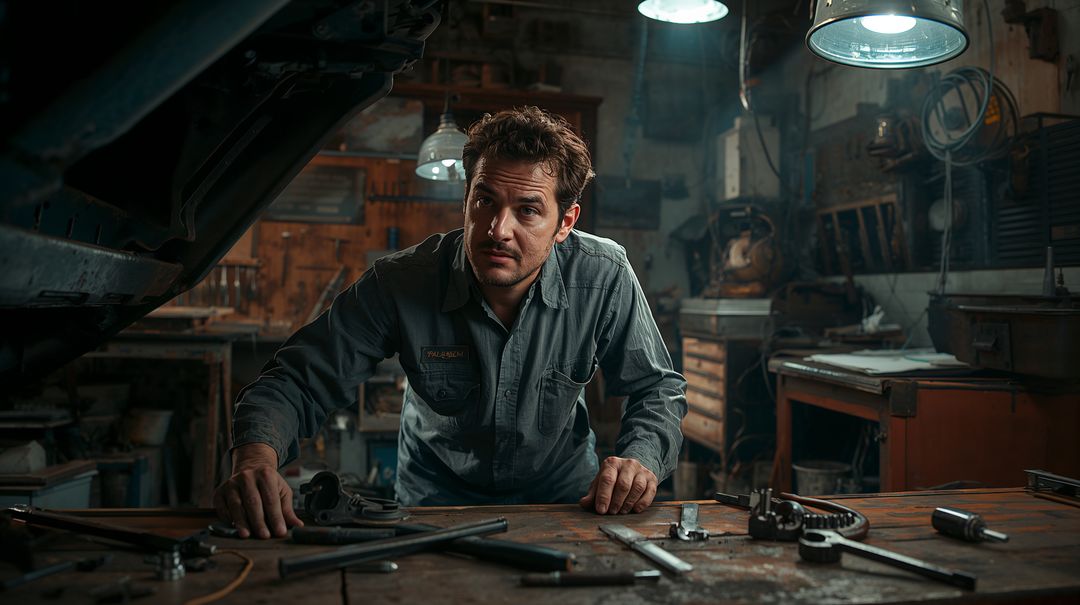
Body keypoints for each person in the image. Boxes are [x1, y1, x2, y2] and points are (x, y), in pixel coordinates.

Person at [214, 106, 687, 539]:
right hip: (435, 504)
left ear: (566, 222)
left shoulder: (603, 276)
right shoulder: (402, 281)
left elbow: (657, 388)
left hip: (562, 500)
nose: (498, 229)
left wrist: (640, 458)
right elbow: (298, 379)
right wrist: (256, 457)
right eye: (485, 201)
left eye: (527, 210)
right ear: (465, 198)